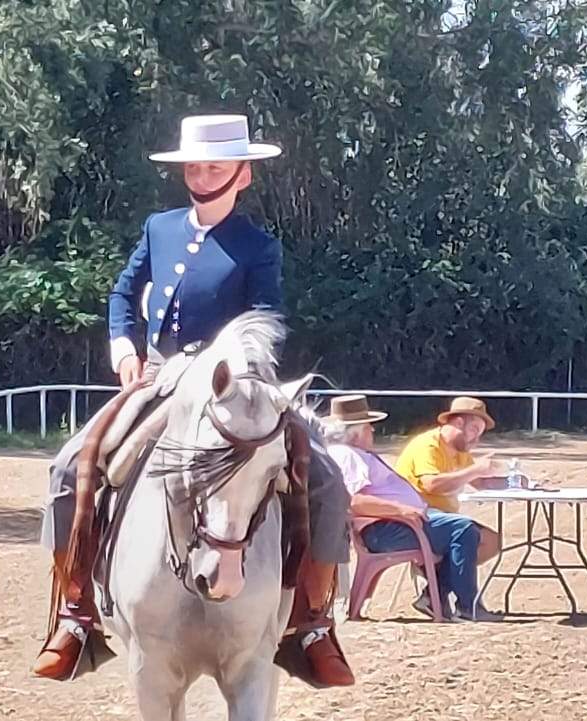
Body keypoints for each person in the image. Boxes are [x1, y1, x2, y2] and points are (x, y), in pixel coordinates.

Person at [34, 114, 355, 687]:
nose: (202, 175)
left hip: (230, 387)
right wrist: (123, 345)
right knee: (67, 467)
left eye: (215, 165)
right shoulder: (159, 228)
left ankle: (311, 622)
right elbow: (122, 293)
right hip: (157, 378)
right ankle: (76, 613)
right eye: (195, 166)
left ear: (243, 174)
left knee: (326, 477)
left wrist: (231, 365)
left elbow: (266, 318)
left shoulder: (259, 247)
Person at [323, 395, 499, 621]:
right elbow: (351, 501)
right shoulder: (347, 456)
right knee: (462, 529)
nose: (373, 432)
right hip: (389, 527)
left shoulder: (356, 455)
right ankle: (467, 607)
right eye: (369, 428)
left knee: (469, 532)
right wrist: (401, 510)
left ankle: (441, 599)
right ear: (355, 432)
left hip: (401, 522)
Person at [394, 397, 506, 566]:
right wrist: (475, 469)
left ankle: (438, 584)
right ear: (459, 423)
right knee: (482, 540)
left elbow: (480, 482)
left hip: (440, 517)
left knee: (491, 542)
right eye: (474, 430)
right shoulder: (429, 445)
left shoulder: (459, 450)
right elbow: (432, 485)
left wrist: (514, 481)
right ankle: (440, 583)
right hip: (419, 517)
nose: (476, 439)